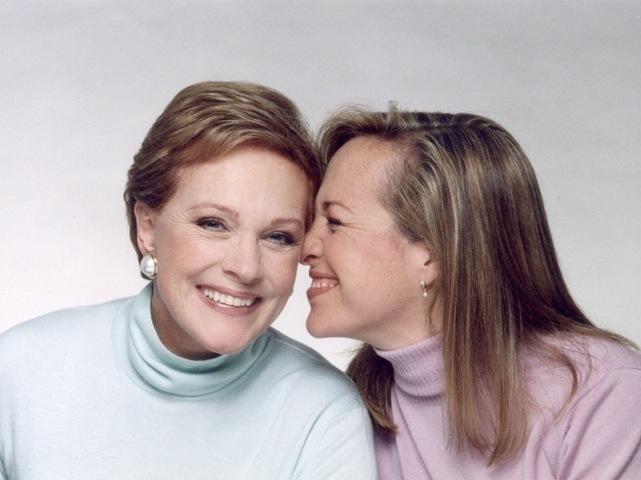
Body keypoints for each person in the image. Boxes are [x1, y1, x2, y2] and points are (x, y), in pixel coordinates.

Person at [0, 82, 375, 479]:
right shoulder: (20, 370)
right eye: (213, 224)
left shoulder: (323, 413)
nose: (246, 268)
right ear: (147, 226)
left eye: (277, 236)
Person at [301, 108, 641, 479]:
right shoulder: (352, 406)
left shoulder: (604, 391)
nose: (306, 247)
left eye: (334, 221)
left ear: (431, 253)